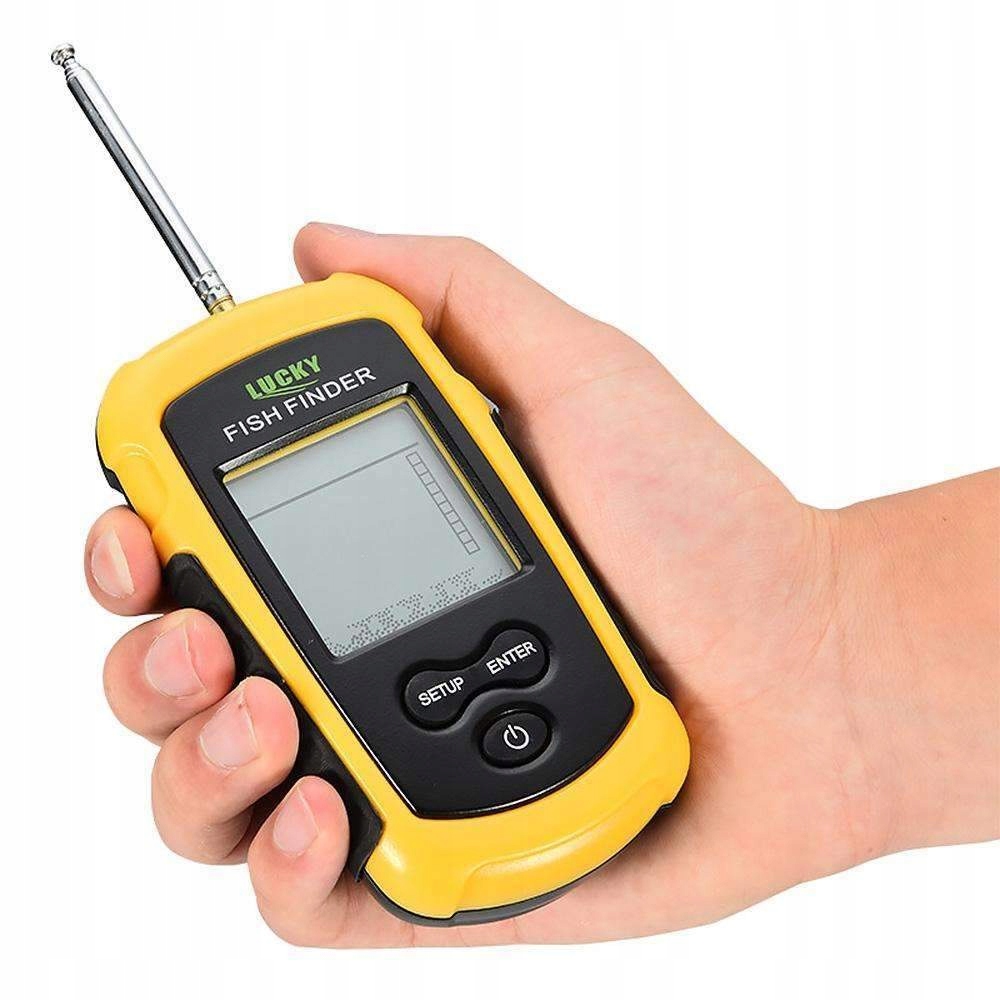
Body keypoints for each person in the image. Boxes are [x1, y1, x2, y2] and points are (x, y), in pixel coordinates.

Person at [84, 223, 1000, 947]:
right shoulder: (355, 330)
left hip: (565, 777)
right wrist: (829, 661)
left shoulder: (365, 328)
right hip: (525, 789)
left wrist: (824, 644)